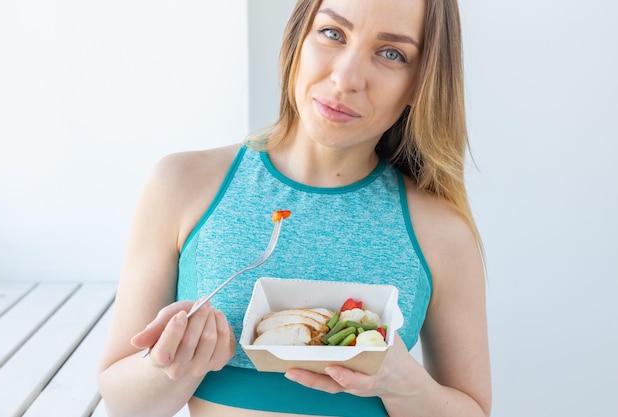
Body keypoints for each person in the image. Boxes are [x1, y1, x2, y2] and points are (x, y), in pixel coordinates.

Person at [97, 0, 492, 415]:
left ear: (420, 83)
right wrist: (175, 365)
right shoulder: (180, 185)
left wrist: (406, 386)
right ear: (297, 39)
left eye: (391, 53)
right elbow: (122, 402)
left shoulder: (443, 232)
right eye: (333, 33)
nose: (346, 78)